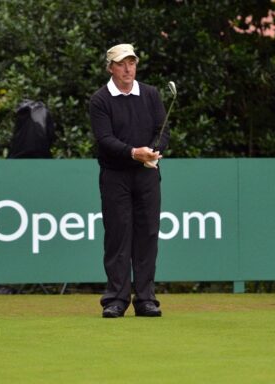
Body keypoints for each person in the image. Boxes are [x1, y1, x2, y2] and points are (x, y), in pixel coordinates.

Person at [89, 43, 169, 318]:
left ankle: (146, 299)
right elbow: (105, 140)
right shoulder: (100, 100)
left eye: (131, 62)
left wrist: (156, 149)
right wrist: (135, 152)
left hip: (147, 174)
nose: (127, 68)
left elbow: (162, 130)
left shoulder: (150, 94)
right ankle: (116, 299)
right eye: (122, 63)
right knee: (118, 236)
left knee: (147, 235)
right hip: (115, 176)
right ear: (110, 67)